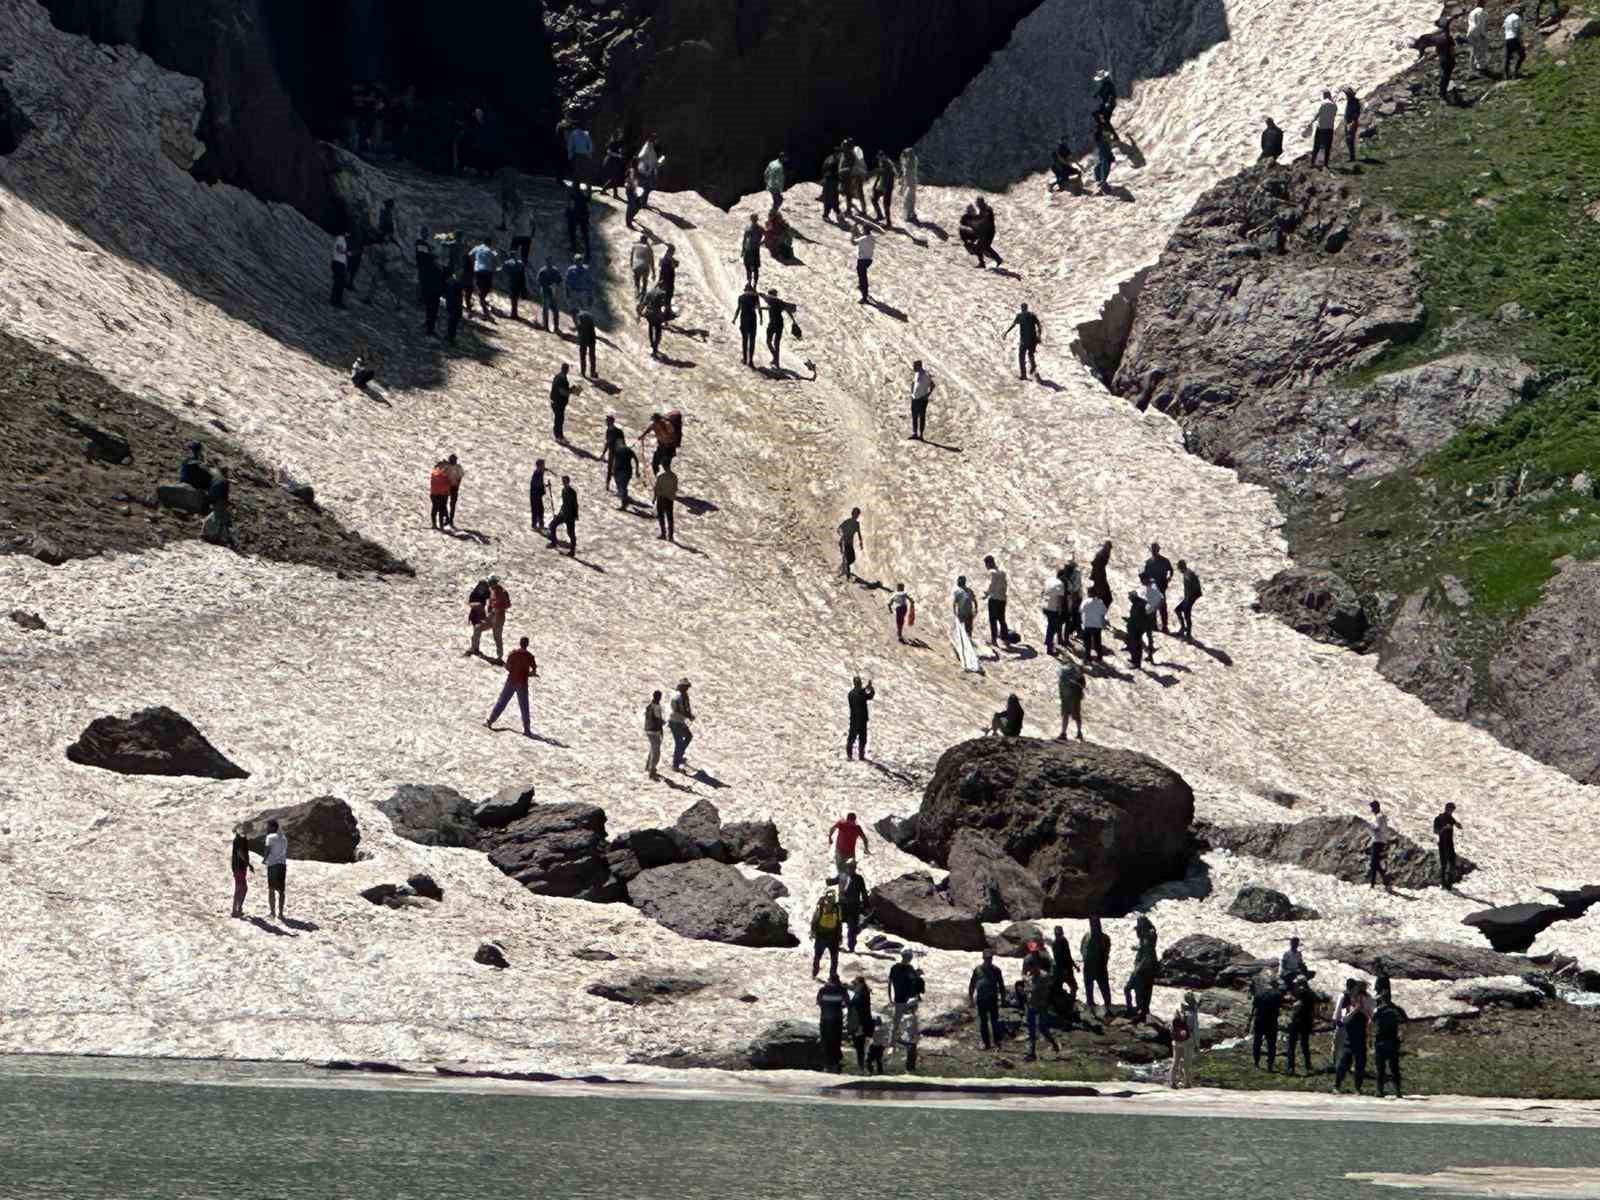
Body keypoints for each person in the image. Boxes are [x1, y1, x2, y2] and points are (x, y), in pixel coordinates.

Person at [486, 637, 538, 736]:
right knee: (524, 706)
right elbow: (534, 670)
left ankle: (490, 721)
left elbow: (507, 667)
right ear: (527, 644)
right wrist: (528, 674)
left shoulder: (513, 654)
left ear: (520, 643)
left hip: (511, 681)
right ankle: (527, 730)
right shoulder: (529, 656)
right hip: (522, 683)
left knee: (502, 701)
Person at [1334, 980, 1373, 1093]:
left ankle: (1358, 1087)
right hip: (1349, 1037)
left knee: (1360, 1063)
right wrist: (1355, 1010)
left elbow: (1370, 1016)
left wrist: (1363, 1009)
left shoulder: (1367, 1000)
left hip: (1361, 1037)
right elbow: (1345, 1019)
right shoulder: (1348, 1002)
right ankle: (1337, 1085)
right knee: (1344, 1061)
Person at [1373, 992, 1409, 1098]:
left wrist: (1372, 1037)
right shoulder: (1397, 1010)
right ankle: (1398, 1091)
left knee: (1380, 1068)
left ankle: (1379, 1090)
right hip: (1393, 1041)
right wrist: (1402, 1037)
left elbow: (1371, 1022)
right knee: (1394, 1068)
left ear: (1383, 999)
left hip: (1381, 1042)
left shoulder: (1379, 1010)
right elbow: (1406, 1023)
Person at [1024, 961, 1061, 1061]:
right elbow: (1028, 989)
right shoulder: (1030, 976)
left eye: (1032, 968)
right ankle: (1031, 1053)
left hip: (1041, 1006)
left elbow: (1049, 989)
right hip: (1031, 1005)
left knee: (1042, 1028)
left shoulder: (1044, 976)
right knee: (1031, 1030)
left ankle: (1054, 1043)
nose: (1030, 970)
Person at [1124, 914, 1159, 1021]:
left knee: (1134, 990)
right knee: (1143, 993)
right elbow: (1146, 949)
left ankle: (1138, 1012)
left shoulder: (1148, 937)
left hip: (1143, 970)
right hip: (1147, 969)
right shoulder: (1147, 937)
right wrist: (1138, 948)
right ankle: (1141, 1012)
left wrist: (1138, 969)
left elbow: (1146, 954)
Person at [888, 948, 924, 1048]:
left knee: (910, 1020)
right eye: (909, 957)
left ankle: (901, 1040)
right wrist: (890, 998)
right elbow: (890, 983)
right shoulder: (896, 968)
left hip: (909, 998)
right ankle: (892, 1042)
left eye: (910, 958)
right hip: (900, 999)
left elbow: (914, 982)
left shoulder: (907, 968)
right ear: (904, 957)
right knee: (897, 1020)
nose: (909, 959)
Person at [1249, 973, 1285, 1071]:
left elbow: (1254, 1007)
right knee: (1271, 1044)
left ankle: (1256, 1063)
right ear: (1275, 984)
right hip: (1272, 1022)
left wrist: (1249, 1022)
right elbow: (1280, 1006)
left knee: (1257, 1042)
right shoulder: (1278, 995)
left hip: (1259, 1020)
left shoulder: (1259, 994)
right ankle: (1270, 1065)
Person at [816, 971, 848, 1072]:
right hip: (837, 1019)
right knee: (836, 1041)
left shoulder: (823, 990)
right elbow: (846, 1003)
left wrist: (825, 1008)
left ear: (829, 980)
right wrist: (839, 1007)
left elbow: (819, 1002)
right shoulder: (842, 990)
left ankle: (826, 1064)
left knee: (825, 1040)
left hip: (825, 1019)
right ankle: (835, 1063)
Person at [1285, 978, 1317, 1075]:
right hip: (1306, 1023)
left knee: (1291, 1046)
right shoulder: (1311, 994)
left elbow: (1296, 1006)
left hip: (1296, 1022)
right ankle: (1308, 1066)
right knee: (1305, 1046)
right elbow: (1312, 1012)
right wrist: (1311, 1025)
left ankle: (1290, 1068)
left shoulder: (1301, 993)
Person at [1080, 916, 1112, 1014]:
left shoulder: (1105, 938)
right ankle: (1091, 1010)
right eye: (1093, 924)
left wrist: (1101, 964)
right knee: (1089, 992)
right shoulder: (1087, 936)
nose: (1095, 926)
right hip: (1088, 968)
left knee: (1105, 991)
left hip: (1100, 968)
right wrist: (1086, 959)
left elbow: (1106, 953)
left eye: (1096, 924)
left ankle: (1108, 1009)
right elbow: (1082, 949)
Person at [959, 198, 1002, 267]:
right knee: (980, 248)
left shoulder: (987, 210)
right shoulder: (981, 211)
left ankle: (996, 259)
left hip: (988, 233)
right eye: (977, 203)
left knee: (984, 247)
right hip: (982, 233)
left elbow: (984, 221)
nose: (977, 205)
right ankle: (983, 262)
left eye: (978, 203)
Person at [1004, 303, 1043, 379]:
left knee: (1021, 356)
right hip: (1033, 340)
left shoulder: (1020, 316)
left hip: (1024, 341)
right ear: (1027, 308)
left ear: (1022, 308)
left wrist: (1006, 332)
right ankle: (1033, 366)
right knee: (1030, 354)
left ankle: (1024, 375)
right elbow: (1039, 325)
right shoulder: (1032, 315)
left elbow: (1013, 325)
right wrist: (1039, 335)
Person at [811, 888, 843, 979]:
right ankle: (815, 972)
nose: (831, 900)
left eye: (832, 898)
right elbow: (815, 920)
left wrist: (840, 936)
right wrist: (813, 932)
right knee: (817, 956)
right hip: (821, 936)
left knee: (834, 959)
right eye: (830, 898)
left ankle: (832, 975)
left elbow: (839, 923)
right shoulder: (821, 907)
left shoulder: (837, 908)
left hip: (833, 936)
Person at [261, 819, 289, 919]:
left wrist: (264, 860)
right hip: (282, 865)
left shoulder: (270, 837)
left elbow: (267, 849)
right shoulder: (284, 838)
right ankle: (281, 913)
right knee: (281, 891)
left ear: (273, 827)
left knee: (271, 889)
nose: (266, 828)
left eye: (268, 826)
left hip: (273, 865)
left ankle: (273, 913)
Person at [1142, 543, 1173, 632]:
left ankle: (1164, 626)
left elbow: (1170, 570)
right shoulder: (1148, 562)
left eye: (1155, 550)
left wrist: (1169, 577)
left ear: (1158, 550)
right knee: (1153, 606)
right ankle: (1154, 625)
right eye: (1153, 550)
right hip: (1152, 587)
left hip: (1161, 586)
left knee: (1162, 607)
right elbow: (1145, 575)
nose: (1154, 551)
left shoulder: (1164, 561)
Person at [763, 288, 796, 370]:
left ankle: (775, 358)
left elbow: (768, 305)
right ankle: (776, 361)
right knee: (776, 343)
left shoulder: (770, 300)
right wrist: (794, 321)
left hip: (772, 324)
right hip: (779, 324)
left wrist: (759, 307)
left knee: (768, 341)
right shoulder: (780, 302)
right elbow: (788, 310)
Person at [839, 866, 869, 953]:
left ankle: (851, 947)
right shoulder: (842, 876)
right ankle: (836, 943)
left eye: (852, 867)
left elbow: (863, 892)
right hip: (843, 906)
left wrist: (866, 905)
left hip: (854, 907)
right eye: (849, 867)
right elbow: (832, 881)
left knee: (852, 928)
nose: (850, 869)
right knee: (837, 925)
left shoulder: (859, 878)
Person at [829, 812, 870, 876]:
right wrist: (830, 838)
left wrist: (866, 848)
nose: (851, 823)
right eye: (851, 821)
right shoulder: (844, 825)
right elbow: (864, 839)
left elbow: (864, 839)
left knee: (847, 871)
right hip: (843, 852)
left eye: (852, 821)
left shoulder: (855, 827)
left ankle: (848, 882)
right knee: (845, 871)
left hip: (846, 853)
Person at [982, 555, 1011, 645]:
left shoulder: (992, 573)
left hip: (994, 599)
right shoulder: (1002, 572)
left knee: (993, 620)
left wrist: (986, 594)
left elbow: (991, 586)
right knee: (1002, 619)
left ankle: (994, 640)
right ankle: (1005, 638)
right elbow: (1005, 585)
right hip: (1002, 599)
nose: (986, 566)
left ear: (989, 563)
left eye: (986, 564)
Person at [846, 976, 874, 1069]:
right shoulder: (863, 990)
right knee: (860, 1045)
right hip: (862, 1022)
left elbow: (854, 1002)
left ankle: (861, 1065)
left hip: (859, 1023)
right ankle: (861, 1064)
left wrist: (848, 1001)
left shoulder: (860, 992)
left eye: (855, 984)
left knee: (859, 1045)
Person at [1433, 802, 1462, 888]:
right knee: (1444, 864)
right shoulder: (1439, 818)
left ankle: (1449, 883)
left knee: (1452, 862)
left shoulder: (1450, 818)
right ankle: (1443, 883)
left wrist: (1457, 824)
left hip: (1449, 843)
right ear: (1447, 808)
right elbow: (1435, 831)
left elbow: (1458, 826)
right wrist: (1444, 828)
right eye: (1451, 809)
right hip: (1442, 843)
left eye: (1452, 810)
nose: (1451, 811)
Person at [1056, 656, 1086, 741]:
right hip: (1075, 697)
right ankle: (1079, 733)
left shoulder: (1062, 673)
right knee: (1076, 715)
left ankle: (1063, 733)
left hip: (1066, 698)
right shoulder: (1077, 673)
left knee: (1065, 715)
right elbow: (1083, 685)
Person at [846, 676, 875, 761]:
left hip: (854, 719)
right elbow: (870, 696)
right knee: (862, 738)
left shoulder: (851, 693)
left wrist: (866, 688)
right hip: (862, 720)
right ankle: (861, 755)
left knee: (851, 738)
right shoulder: (861, 693)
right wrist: (871, 688)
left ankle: (849, 755)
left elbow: (861, 693)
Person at [468, 238, 498, 318]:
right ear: (490, 243)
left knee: (479, 286)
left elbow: (469, 255)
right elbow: (496, 258)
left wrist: (473, 263)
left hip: (478, 270)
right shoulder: (491, 250)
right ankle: (482, 300)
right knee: (487, 288)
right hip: (488, 271)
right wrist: (494, 268)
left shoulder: (477, 248)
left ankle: (482, 299)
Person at [733, 283, 761, 368]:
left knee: (745, 340)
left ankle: (745, 359)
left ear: (745, 290)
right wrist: (761, 318)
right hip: (752, 319)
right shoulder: (755, 297)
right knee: (752, 340)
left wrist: (734, 319)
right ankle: (751, 361)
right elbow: (759, 308)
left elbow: (738, 308)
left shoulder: (741, 297)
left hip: (744, 319)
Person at [669, 678, 694, 771]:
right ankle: (676, 764)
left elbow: (686, 708)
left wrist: (689, 715)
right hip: (676, 722)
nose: (687, 689)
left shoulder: (684, 695)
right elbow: (678, 710)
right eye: (686, 687)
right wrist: (689, 716)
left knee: (688, 736)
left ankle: (679, 756)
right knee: (679, 743)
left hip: (679, 721)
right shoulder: (678, 697)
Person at [639, 283, 670, 357]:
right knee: (658, 331)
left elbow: (644, 303)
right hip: (657, 314)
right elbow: (665, 306)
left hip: (649, 313)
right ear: (663, 286)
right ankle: (655, 348)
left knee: (650, 328)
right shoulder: (663, 293)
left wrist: (640, 312)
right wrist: (665, 319)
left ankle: (652, 344)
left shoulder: (650, 292)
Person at [549, 476, 578, 556]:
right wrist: (559, 513)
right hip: (563, 514)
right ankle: (554, 542)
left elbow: (575, 505)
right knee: (552, 525)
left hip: (570, 516)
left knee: (570, 533)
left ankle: (572, 551)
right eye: (563, 482)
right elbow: (564, 504)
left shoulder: (572, 492)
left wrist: (575, 515)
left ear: (568, 482)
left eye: (565, 482)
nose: (564, 483)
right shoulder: (563, 491)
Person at [533, 256, 563, 333]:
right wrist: (546, 285)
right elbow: (538, 281)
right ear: (546, 262)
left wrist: (555, 285)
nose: (549, 262)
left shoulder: (555, 270)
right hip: (545, 292)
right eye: (548, 261)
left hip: (553, 292)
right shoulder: (542, 271)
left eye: (550, 261)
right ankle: (546, 326)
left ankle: (556, 327)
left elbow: (560, 280)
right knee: (545, 309)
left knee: (555, 310)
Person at [1368, 800, 1393, 889]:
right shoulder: (1381, 817)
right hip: (1379, 840)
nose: (1371, 810)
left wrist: (1370, 825)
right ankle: (1377, 881)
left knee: (1374, 862)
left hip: (1378, 841)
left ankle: (1379, 880)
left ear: (1376, 807)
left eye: (1372, 808)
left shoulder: (1379, 817)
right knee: (1375, 862)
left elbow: (1377, 828)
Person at [1174, 559, 1202, 639]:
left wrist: (1189, 597)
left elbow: (1195, 586)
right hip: (1188, 597)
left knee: (1186, 614)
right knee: (1178, 610)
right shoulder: (1187, 573)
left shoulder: (1189, 574)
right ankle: (1184, 628)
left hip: (1191, 597)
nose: (1179, 570)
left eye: (1179, 568)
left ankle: (1188, 633)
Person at [1168, 1000, 1193, 1088]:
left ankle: (1174, 1082)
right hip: (1182, 1042)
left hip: (1178, 1042)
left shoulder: (1179, 1015)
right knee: (1182, 1062)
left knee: (1177, 1062)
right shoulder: (1184, 1016)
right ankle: (1184, 1082)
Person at [1041, 570, 1066, 655]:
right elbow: (1060, 599)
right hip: (1053, 608)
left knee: (1051, 625)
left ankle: (1048, 641)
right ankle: (1049, 647)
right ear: (1062, 576)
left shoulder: (1049, 580)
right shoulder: (1061, 584)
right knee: (1052, 627)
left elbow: (1042, 592)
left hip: (1045, 606)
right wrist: (1059, 610)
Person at [230, 830, 254, 918]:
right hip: (239, 867)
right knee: (241, 888)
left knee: (240, 887)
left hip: (239, 867)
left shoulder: (239, 839)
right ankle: (236, 909)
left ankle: (237, 909)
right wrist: (248, 864)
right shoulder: (240, 840)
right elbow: (240, 852)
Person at [1311, 90, 1337, 169]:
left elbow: (1317, 115)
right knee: (1327, 146)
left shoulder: (1322, 104)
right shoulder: (1334, 105)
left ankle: (1313, 162)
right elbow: (1334, 115)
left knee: (1317, 146)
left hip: (1321, 128)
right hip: (1330, 128)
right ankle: (1325, 164)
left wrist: (1312, 122)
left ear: (1324, 95)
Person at [909, 359, 934, 439]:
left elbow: (932, 385)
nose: (913, 367)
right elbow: (913, 383)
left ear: (919, 366)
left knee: (921, 416)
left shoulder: (926, 374)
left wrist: (927, 395)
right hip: (915, 398)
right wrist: (912, 393)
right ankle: (915, 433)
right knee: (914, 416)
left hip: (922, 399)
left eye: (914, 366)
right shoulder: (916, 374)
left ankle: (921, 435)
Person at [1079, 592, 1108, 661]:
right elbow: (1103, 613)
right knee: (1097, 642)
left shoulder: (1085, 602)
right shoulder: (1100, 602)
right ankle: (1099, 656)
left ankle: (1087, 657)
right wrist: (1103, 623)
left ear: (1089, 594)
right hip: (1097, 625)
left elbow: (1081, 610)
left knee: (1087, 643)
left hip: (1088, 625)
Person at [644, 689, 666, 779]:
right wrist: (662, 724)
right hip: (654, 731)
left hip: (648, 729)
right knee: (656, 752)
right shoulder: (657, 707)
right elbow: (657, 720)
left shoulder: (649, 706)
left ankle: (648, 766)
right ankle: (652, 770)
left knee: (652, 749)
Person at [611, 440, 639, 511]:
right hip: (627, 471)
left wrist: (612, 469)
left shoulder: (617, 450)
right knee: (622, 487)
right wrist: (636, 470)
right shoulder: (629, 450)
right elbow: (636, 460)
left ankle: (624, 503)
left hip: (619, 471)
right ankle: (625, 500)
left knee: (622, 487)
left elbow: (614, 460)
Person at [1124, 589, 1148, 670]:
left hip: (1137, 628)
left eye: (1130, 597)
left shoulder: (1138, 605)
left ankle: (1136, 663)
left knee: (1136, 645)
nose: (1129, 599)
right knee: (1135, 645)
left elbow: (1136, 618)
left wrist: (1129, 621)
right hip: (1138, 627)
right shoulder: (1140, 603)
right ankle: (1134, 660)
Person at [870, 151, 896, 226]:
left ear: (883, 156)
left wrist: (887, 188)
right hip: (881, 186)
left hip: (887, 187)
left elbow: (891, 177)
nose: (879, 159)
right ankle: (879, 215)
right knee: (874, 199)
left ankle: (888, 222)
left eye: (880, 157)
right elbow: (879, 175)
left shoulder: (889, 164)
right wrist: (875, 186)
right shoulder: (881, 162)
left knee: (886, 204)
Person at [565, 181, 591, 257]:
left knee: (574, 232)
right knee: (583, 233)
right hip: (582, 216)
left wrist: (567, 213)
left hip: (578, 216)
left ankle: (576, 247)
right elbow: (588, 199)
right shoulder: (580, 194)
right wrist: (589, 189)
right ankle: (586, 251)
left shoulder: (574, 194)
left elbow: (569, 205)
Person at [654, 463, 678, 541]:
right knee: (670, 517)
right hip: (669, 499)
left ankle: (663, 533)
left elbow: (657, 488)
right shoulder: (674, 476)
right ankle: (670, 536)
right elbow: (675, 488)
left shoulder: (661, 477)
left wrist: (654, 498)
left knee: (661, 516)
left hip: (661, 498)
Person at [501, 247, 527, 320]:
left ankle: (514, 313)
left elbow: (505, 269)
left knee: (514, 298)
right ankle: (514, 313)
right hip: (516, 282)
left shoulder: (510, 262)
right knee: (514, 298)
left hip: (514, 282)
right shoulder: (518, 262)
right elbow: (521, 270)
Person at [1141, 574, 1164, 656]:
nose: (1141, 582)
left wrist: (1154, 608)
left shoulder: (1152, 588)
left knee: (1145, 631)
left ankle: (1150, 650)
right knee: (1148, 632)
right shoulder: (1150, 586)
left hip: (1149, 613)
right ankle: (1150, 649)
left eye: (1142, 580)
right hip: (1148, 611)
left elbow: (1161, 598)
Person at [550, 364, 574, 442]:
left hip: (557, 402)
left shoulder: (559, 377)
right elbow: (563, 392)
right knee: (559, 420)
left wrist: (569, 390)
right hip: (558, 402)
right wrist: (571, 391)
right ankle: (558, 436)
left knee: (560, 419)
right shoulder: (561, 379)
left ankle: (560, 435)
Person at [838, 507, 863, 579]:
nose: (856, 515)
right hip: (844, 542)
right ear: (852, 514)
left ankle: (844, 568)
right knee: (846, 557)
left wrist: (861, 543)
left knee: (852, 558)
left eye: (857, 514)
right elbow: (839, 528)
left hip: (849, 544)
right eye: (855, 513)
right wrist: (842, 534)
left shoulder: (856, 524)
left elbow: (859, 534)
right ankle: (846, 574)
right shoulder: (847, 521)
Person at [853, 224, 875, 304]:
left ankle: (864, 297)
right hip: (869, 260)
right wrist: (857, 233)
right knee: (861, 274)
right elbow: (862, 237)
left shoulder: (863, 239)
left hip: (862, 260)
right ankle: (861, 286)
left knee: (863, 278)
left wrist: (853, 234)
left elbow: (854, 242)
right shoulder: (872, 238)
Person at [443, 265, 465, 344]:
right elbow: (460, 294)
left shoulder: (448, 282)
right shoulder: (457, 283)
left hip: (450, 304)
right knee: (453, 322)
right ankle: (451, 339)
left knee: (451, 321)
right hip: (456, 305)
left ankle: (449, 336)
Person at [739, 213, 762, 290]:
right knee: (754, 268)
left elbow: (744, 240)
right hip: (754, 249)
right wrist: (760, 243)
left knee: (749, 266)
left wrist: (743, 250)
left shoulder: (749, 228)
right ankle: (754, 283)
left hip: (749, 249)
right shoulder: (759, 228)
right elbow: (767, 236)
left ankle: (750, 282)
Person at [819, 146, 842, 223]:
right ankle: (825, 215)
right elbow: (836, 171)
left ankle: (837, 212)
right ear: (837, 153)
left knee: (835, 197)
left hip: (831, 181)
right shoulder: (835, 160)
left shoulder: (829, 158)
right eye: (840, 153)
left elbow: (823, 168)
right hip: (830, 181)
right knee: (829, 198)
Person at [1435, 22, 1457, 101]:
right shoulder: (1449, 38)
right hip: (1449, 59)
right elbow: (1452, 50)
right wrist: (1454, 58)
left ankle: (1442, 90)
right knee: (1447, 75)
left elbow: (1436, 50)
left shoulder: (1438, 38)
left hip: (1442, 58)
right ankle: (1443, 93)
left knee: (1443, 74)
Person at [442, 453, 465, 527]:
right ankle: (447, 518)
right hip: (448, 487)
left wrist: (457, 484)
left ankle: (450, 519)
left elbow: (460, 477)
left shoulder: (458, 467)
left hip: (454, 487)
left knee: (452, 504)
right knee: (445, 503)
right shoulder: (448, 467)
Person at [630, 234, 655, 300]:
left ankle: (637, 293)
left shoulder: (635, 246)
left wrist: (632, 266)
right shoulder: (648, 248)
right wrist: (653, 272)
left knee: (637, 281)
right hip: (645, 266)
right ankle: (643, 295)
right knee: (645, 281)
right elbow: (651, 261)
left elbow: (631, 257)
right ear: (646, 240)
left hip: (636, 266)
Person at [575, 307, 598, 379]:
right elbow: (593, 325)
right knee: (592, 356)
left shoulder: (579, 316)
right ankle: (593, 372)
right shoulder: (589, 314)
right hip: (591, 336)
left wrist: (579, 335)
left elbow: (579, 326)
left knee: (583, 355)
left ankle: (583, 372)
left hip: (583, 337)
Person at [428, 459, 451, 530]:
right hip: (438, 493)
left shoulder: (443, 473)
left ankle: (438, 525)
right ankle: (437, 525)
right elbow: (443, 481)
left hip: (440, 493)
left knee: (439, 509)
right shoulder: (437, 472)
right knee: (438, 509)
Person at [529, 457, 550, 532]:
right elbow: (536, 484)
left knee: (540, 509)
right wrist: (544, 485)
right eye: (543, 465)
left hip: (538, 494)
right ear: (539, 466)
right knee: (536, 509)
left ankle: (540, 524)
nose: (544, 466)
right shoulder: (537, 473)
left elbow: (544, 470)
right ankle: (535, 525)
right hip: (535, 494)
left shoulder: (540, 471)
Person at [1342, 86, 1362, 162]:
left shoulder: (1354, 101)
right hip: (1349, 122)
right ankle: (1352, 156)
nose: (1346, 95)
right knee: (1349, 139)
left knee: (1350, 138)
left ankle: (1352, 157)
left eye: (1347, 94)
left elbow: (1356, 113)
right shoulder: (1350, 101)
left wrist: (1353, 122)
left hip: (1351, 122)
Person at [1092, 122, 1115, 190]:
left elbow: (1108, 141)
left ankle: (1101, 181)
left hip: (1104, 153)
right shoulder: (1101, 138)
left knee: (1101, 165)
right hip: (1104, 153)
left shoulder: (1101, 138)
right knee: (1102, 166)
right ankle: (1101, 181)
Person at [1504, 7, 1526, 77]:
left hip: (1507, 38)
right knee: (1522, 55)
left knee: (1508, 57)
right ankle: (1515, 72)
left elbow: (1503, 27)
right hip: (1514, 38)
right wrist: (1521, 42)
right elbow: (1517, 31)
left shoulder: (1507, 17)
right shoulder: (1517, 18)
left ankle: (1506, 74)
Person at [1089, 540, 1113, 605]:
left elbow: (1098, 562)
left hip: (1099, 572)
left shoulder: (1104, 553)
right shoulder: (1104, 553)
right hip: (1098, 572)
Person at [1467, 2, 1488, 72]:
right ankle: (1480, 67)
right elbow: (1480, 24)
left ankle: (1472, 67)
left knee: (1473, 49)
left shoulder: (1472, 12)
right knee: (1481, 49)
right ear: (1482, 3)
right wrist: (1482, 34)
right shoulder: (1481, 11)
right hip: (1477, 33)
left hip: (1470, 32)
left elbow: (1470, 23)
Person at [899, 145, 919, 223]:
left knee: (908, 200)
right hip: (912, 182)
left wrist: (903, 157)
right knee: (911, 199)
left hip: (910, 183)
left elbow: (905, 171)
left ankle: (908, 215)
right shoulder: (914, 160)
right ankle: (911, 214)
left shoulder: (909, 164)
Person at [330, 230, 349, 307]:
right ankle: (336, 300)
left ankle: (335, 299)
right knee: (339, 283)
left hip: (339, 263)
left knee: (339, 283)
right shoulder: (340, 239)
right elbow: (339, 249)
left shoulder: (342, 240)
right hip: (338, 263)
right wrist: (346, 253)